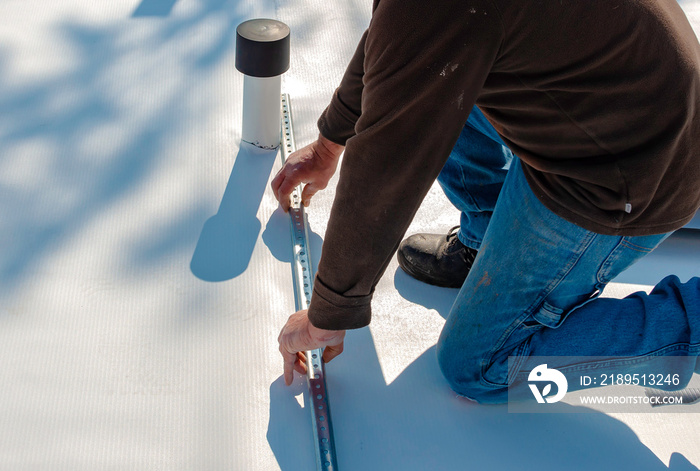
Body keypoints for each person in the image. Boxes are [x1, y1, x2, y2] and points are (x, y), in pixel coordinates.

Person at [273, 0, 700, 403]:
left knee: (478, 369)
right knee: (440, 64)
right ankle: (486, 238)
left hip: (629, 174)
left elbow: (388, 159)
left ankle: (690, 323)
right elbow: (402, 46)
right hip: (612, 102)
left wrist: (327, 314)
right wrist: (328, 145)